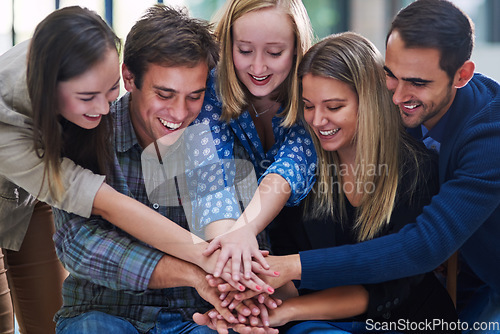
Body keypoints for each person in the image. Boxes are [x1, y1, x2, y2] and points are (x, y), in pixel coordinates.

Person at [213, 1, 500, 333]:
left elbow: (420, 250)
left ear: (461, 75)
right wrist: (259, 307)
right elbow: (283, 247)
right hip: (338, 313)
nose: (397, 95)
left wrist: (288, 273)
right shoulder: (310, 157)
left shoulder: (477, 141)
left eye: (417, 82)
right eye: (391, 76)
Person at [0, 5, 270, 333]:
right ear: (132, 78)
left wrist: (241, 296)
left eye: (194, 96)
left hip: (188, 318)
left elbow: (243, 242)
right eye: (164, 94)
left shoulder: (215, 141)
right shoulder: (80, 131)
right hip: (101, 311)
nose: (180, 112)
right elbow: (84, 238)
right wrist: (202, 265)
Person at [198, 0, 317, 282]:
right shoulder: (210, 89)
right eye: (245, 50)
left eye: (275, 52)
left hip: (306, 249)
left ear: (298, 49)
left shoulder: (312, 91)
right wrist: (231, 254)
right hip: (234, 250)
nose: (259, 66)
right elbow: (211, 174)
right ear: (228, 46)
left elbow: (291, 166)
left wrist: (244, 232)